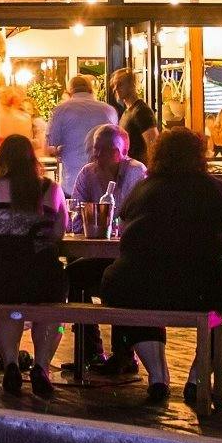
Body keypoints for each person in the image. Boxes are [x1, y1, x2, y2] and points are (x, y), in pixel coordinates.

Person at [102, 128, 222, 422]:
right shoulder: (217, 188)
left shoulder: (143, 189)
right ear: (200, 155)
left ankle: (158, 377)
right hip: (201, 286)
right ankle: (197, 377)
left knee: (125, 292)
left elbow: (123, 226)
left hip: (141, 284)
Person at [0, 134, 67, 395]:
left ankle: (10, 362)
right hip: (39, 279)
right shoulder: (50, 190)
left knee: (8, 305)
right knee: (53, 308)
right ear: (33, 159)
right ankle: (41, 365)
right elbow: (59, 234)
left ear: (2, 158)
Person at [65, 124, 148, 375]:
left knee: (118, 279)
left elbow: (134, 220)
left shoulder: (136, 172)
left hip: (131, 258)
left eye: (104, 150)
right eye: (95, 149)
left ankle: (124, 354)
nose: (96, 155)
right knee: (71, 276)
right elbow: (76, 218)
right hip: (99, 253)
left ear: (122, 152)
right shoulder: (88, 173)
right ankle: (89, 350)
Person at [44, 72, 118, 186]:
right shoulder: (108, 110)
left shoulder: (61, 110)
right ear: (90, 89)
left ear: (70, 91)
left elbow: (51, 144)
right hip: (104, 180)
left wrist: (59, 150)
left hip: (72, 180)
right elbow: (116, 141)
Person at [108, 66, 158, 165]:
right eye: (114, 85)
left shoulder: (141, 111)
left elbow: (153, 144)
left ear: (132, 85)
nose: (115, 89)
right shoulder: (128, 111)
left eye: (120, 84)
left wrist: (150, 171)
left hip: (139, 171)